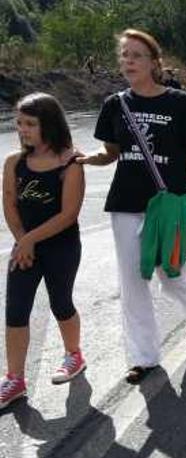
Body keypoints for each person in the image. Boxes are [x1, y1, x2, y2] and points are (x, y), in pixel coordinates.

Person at [77, 29, 186, 384]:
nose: (128, 61)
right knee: (132, 281)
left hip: (169, 204)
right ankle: (143, 357)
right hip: (126, 203)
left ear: (155, 62)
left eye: (136, 55)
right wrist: (83, 160)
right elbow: (111, 153)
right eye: (124, 55)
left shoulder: (179, 102)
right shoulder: (116, 104)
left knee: (170, 276)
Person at [0, 93, 86, 409]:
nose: (22, 129)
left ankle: (74, 355)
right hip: (25, 247)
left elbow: (68, 215)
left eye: (30, 124)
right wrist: (22, 240)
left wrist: (30, 239)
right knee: (16, 309)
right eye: (19, 123)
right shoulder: (14, 163)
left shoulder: (70, 163)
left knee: (60, 302)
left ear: (48, 124)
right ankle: (14, 379)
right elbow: (9, 202)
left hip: (60, 246)